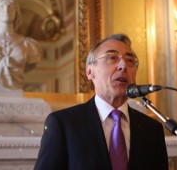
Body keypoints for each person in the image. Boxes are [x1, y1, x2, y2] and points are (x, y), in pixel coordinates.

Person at [34, 34, 169, 170]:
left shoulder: (152, 130)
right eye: (112, 58)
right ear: (89, 71)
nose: (123, 66)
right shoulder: (63, 124)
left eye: (130, 60)